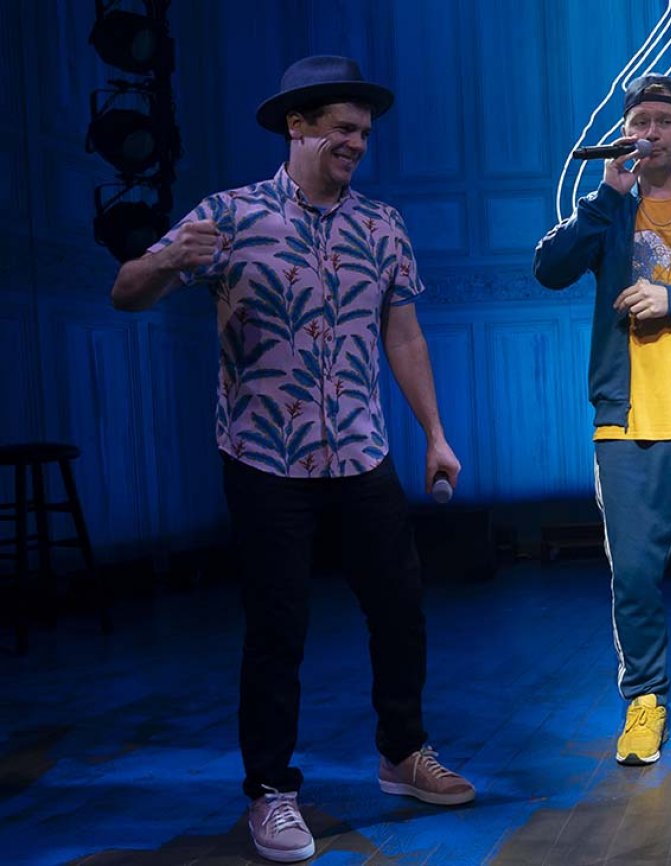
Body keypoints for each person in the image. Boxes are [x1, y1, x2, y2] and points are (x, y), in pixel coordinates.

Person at [110, 55, 474, 863]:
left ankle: (402, 755)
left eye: (364, 134)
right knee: (278, 629)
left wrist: (436, 435)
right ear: (296, 126)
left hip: (360, 450)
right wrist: (169, 259)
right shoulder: (228, 216)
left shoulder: (382, 226)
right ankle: (271, 793)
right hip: (264, 457)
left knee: (400, 610)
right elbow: (125, 291)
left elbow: (402, 335)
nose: (355, 144)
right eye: (341, 129)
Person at [532, 75, 671, 767]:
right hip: (627, 420)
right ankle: (644, 700)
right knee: (631, 572)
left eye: (663, 121)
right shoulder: (604, 210)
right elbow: (549, 268)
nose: (651, 133)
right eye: (640, 121)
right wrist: (606, 196)